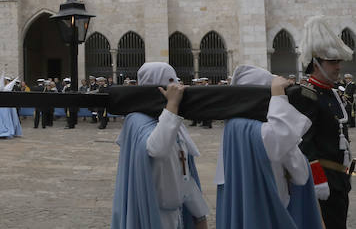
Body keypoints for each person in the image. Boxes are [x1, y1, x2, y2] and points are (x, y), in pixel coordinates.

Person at [215, 65, 322, 228]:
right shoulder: (250, 129)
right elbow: (298, 170)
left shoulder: (234, 125)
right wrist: (278, 96)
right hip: (269, 212)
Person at [112, 62, 209, 229]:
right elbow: (157, 149)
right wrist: (172, 106)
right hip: (152, 214)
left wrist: (199, 213)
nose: (177, 88)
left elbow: (184, 171)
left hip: (176, 214)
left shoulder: (172, 122)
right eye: (171, 82)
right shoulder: (136, 120)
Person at [288, 16, 354, 229]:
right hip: (322, 180)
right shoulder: (306, 95)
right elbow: (303, 141)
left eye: (338, 61)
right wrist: (317, 180)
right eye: (332, 61)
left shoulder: (333, 93)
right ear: (316, 64)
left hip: (340, 178)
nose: (338, 66)